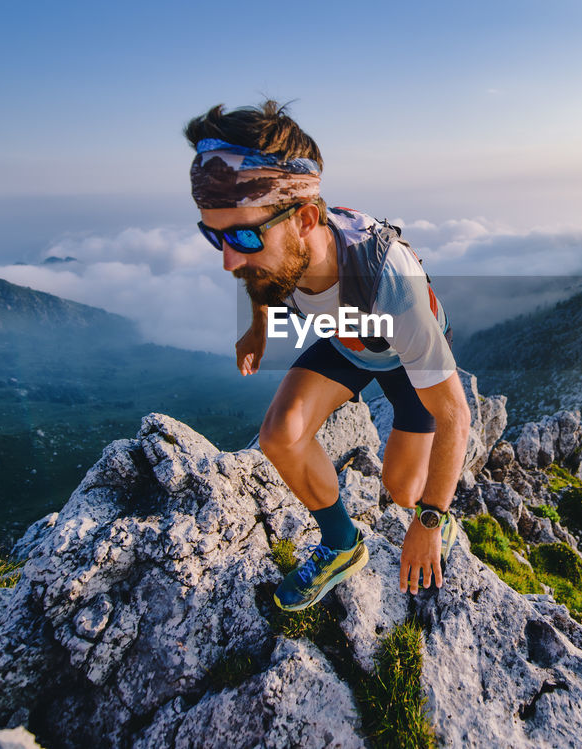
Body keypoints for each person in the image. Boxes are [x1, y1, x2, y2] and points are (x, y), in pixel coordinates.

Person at [185, 100, 472, 612]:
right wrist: (257, 330)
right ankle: (342, 545)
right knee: (280, 435)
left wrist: (428, 521)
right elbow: (260, 279)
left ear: (305, 219)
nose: (229, 259)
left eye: (245, 235)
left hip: (398, 350)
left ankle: (442, 517)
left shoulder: (390, 286)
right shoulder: (278, 254)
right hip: (349, 340)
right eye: (215, 235)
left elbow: (455, 414)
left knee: (405, 491)